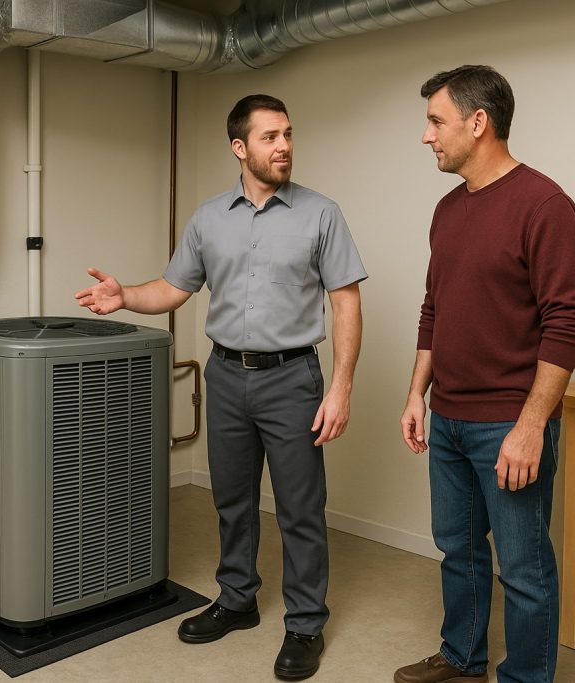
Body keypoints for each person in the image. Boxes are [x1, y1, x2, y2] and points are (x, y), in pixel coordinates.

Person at [75, 94, 366, 680]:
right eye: (269, 137)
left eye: (287, 134)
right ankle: (237, 600)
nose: (283, 145)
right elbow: (174, 287)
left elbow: (346, 302)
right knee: (231, 500)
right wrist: (127, 295)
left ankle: (306, 623)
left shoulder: (321, 213)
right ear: (240, 148)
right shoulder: (209, 217)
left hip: (293, 379)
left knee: (299, 509)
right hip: (227, 376)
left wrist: (340, 388)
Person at [395, 66, 575, 683]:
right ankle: (462, 658)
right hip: (449, 417)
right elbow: (436, 307)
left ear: (478, 123)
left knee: (525, 568)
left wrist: (532, 426)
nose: (427, 136)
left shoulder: (545, 205)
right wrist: (415, 394)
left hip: (509, 421)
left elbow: (568, 320)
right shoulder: (448, 209)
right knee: (458, 550)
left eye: (435, 121)